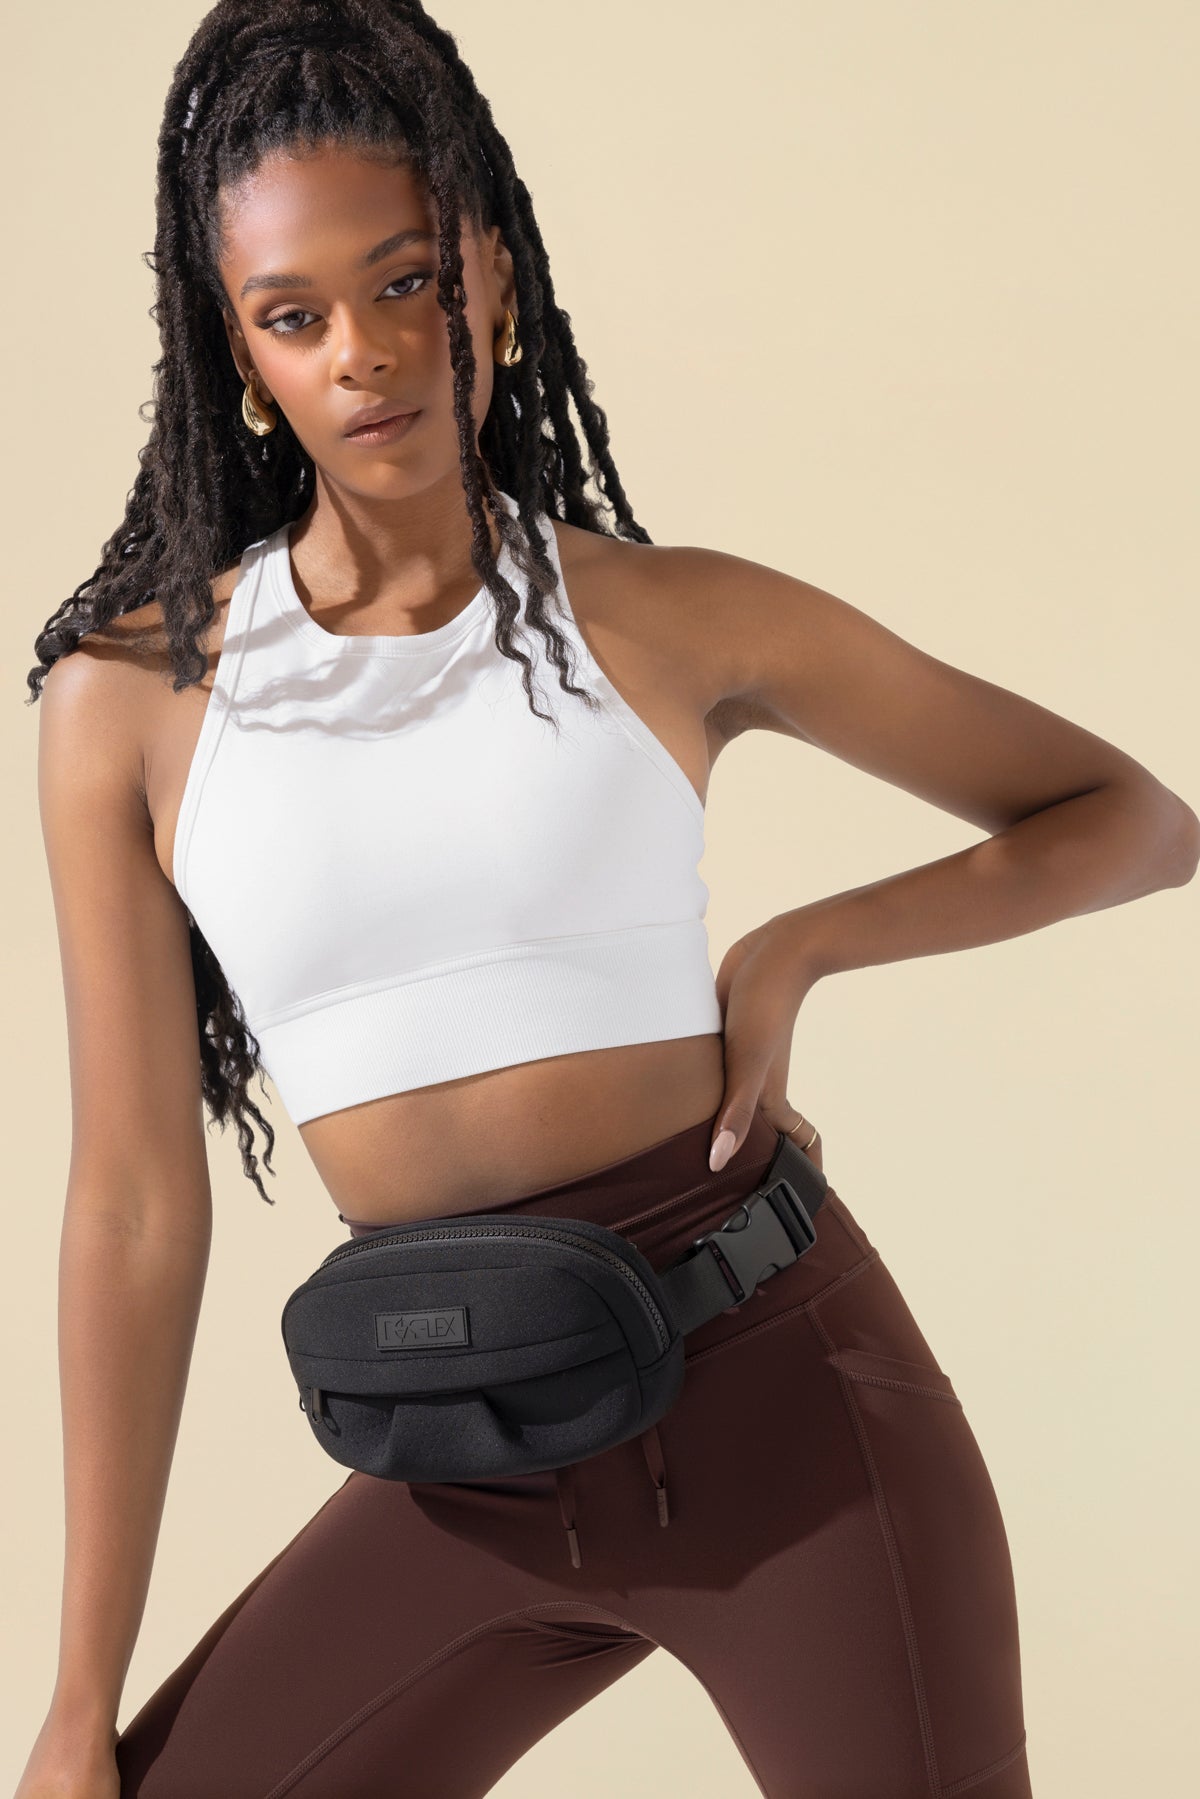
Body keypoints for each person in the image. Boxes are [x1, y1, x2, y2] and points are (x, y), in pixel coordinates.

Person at [20, 2, 1199, 1796]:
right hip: (457, 1443)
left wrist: (798, 948)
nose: (364, 353)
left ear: (489, 271)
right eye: (295, 315)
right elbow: (127, 1204)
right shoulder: (128, 705)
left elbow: (1136, 820)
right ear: (236, 349)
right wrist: (73, 1701)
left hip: (782, 1398)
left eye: (407, 280)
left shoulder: (664, 616)